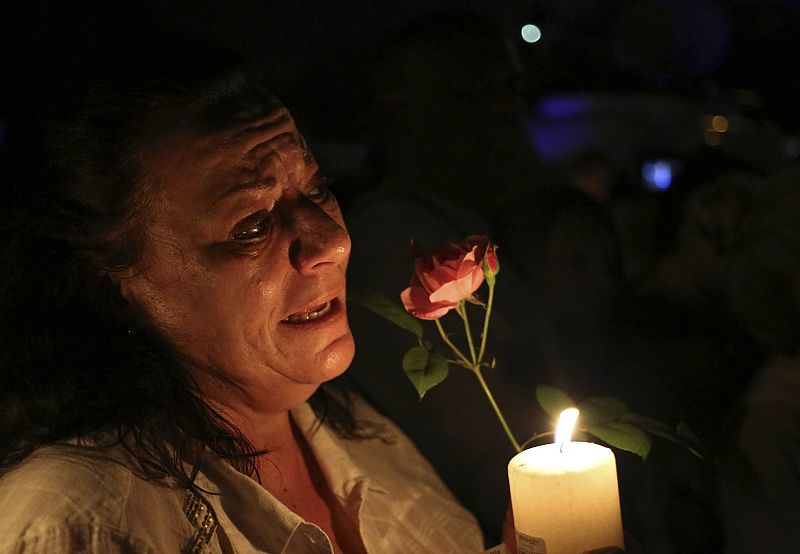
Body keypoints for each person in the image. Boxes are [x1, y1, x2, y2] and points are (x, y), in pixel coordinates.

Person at [0, 35, 483, 553]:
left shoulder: (361, 435)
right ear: (111, 284)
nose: (334, 242)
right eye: (251, 226)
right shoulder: (83, 524)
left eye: (317, 189)